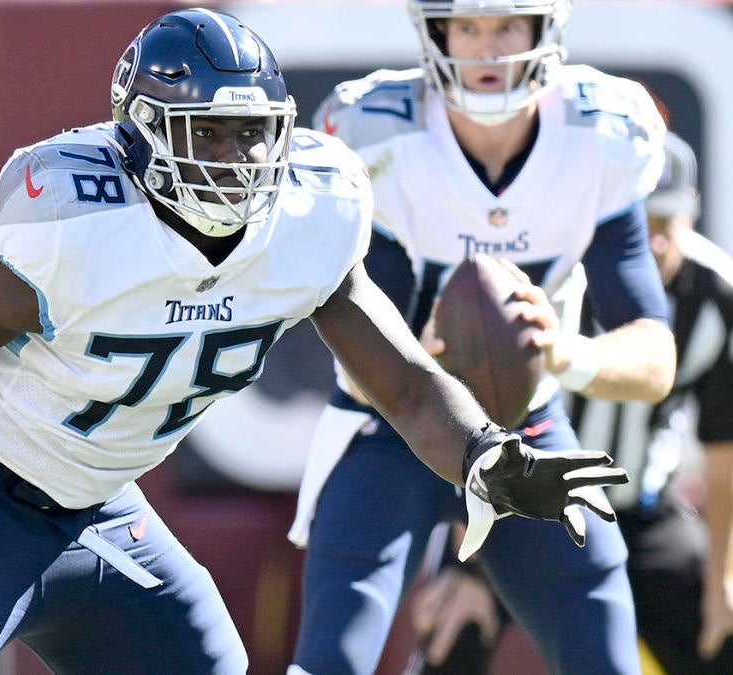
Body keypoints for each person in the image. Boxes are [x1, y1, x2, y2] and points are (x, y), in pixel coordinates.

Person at [0, 8, 629, 673]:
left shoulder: (308, 220)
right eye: (207, 133)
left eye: (252, 133)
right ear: (140, 134)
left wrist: (486, 453)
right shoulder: (74, 224)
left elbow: (409, 381)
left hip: (98, 504)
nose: (237, 159)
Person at [288, 1, 677, 673]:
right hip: (391, 430)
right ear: (435, 31)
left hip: (525, 427)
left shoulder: (600, 135)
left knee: (602, 636)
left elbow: (655, 356)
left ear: (543, 29)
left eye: (506, 25)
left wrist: (561, 350)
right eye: (466, 26)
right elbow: (354, 344)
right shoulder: (376, 133)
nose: (486, 48)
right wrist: (412, 347)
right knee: (330, 659)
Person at [406, 131, 733, 674]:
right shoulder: (545, 281)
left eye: (666, 226)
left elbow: (728, 455)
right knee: (455, 632)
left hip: (640, 509)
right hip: (518, 505)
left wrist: (722, 584)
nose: (651, 244)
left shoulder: (714, 295)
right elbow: (474, 424)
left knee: (732, 641)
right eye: (639, 225)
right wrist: (471, 570)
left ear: (692, 219)